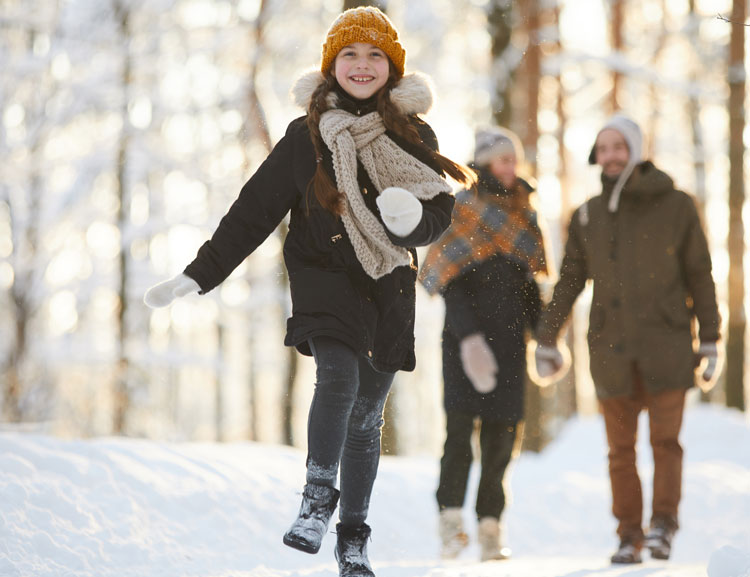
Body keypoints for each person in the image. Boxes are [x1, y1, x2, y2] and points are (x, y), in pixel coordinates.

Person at [143, 7, 475, 577]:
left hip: (389, 281)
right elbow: (254, 211)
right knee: (338, 374)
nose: (362, 65)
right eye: (350, 54)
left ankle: (353, 540)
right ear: (331, 66)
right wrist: (200, 273)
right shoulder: (306, 137)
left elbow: (438, 211)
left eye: (375, 55)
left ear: (392, 69)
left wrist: (409, 225)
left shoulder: (412, 133)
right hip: (323, 275)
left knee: (368, 414)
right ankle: (318, 498)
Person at [533, 114, 721, 564]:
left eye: (620, 146)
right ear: (597, 155)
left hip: (669, 347)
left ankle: (662, 527)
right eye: (605, 147)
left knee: (665, 444)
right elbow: (570, 281)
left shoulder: (677, 205)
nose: (611, 155)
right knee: (619, 451)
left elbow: (700, 274)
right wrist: (546, 337)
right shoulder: (588, 214)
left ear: (634, 151)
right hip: (611, 351)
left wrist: (711, 339)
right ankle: (628, 535)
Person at [419, 127, 548, 561]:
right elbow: (448, 283)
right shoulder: (461, 209)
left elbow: (531, 288)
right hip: (463, 343)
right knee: (459, 438)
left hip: (512, 345)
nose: (511, 168)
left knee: (501, 441)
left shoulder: (525, 213)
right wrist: (471, 340)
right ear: (484, 163)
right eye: (502, 160)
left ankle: (491, 527)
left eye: (514, 159)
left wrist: (545, 339)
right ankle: (450, 524)